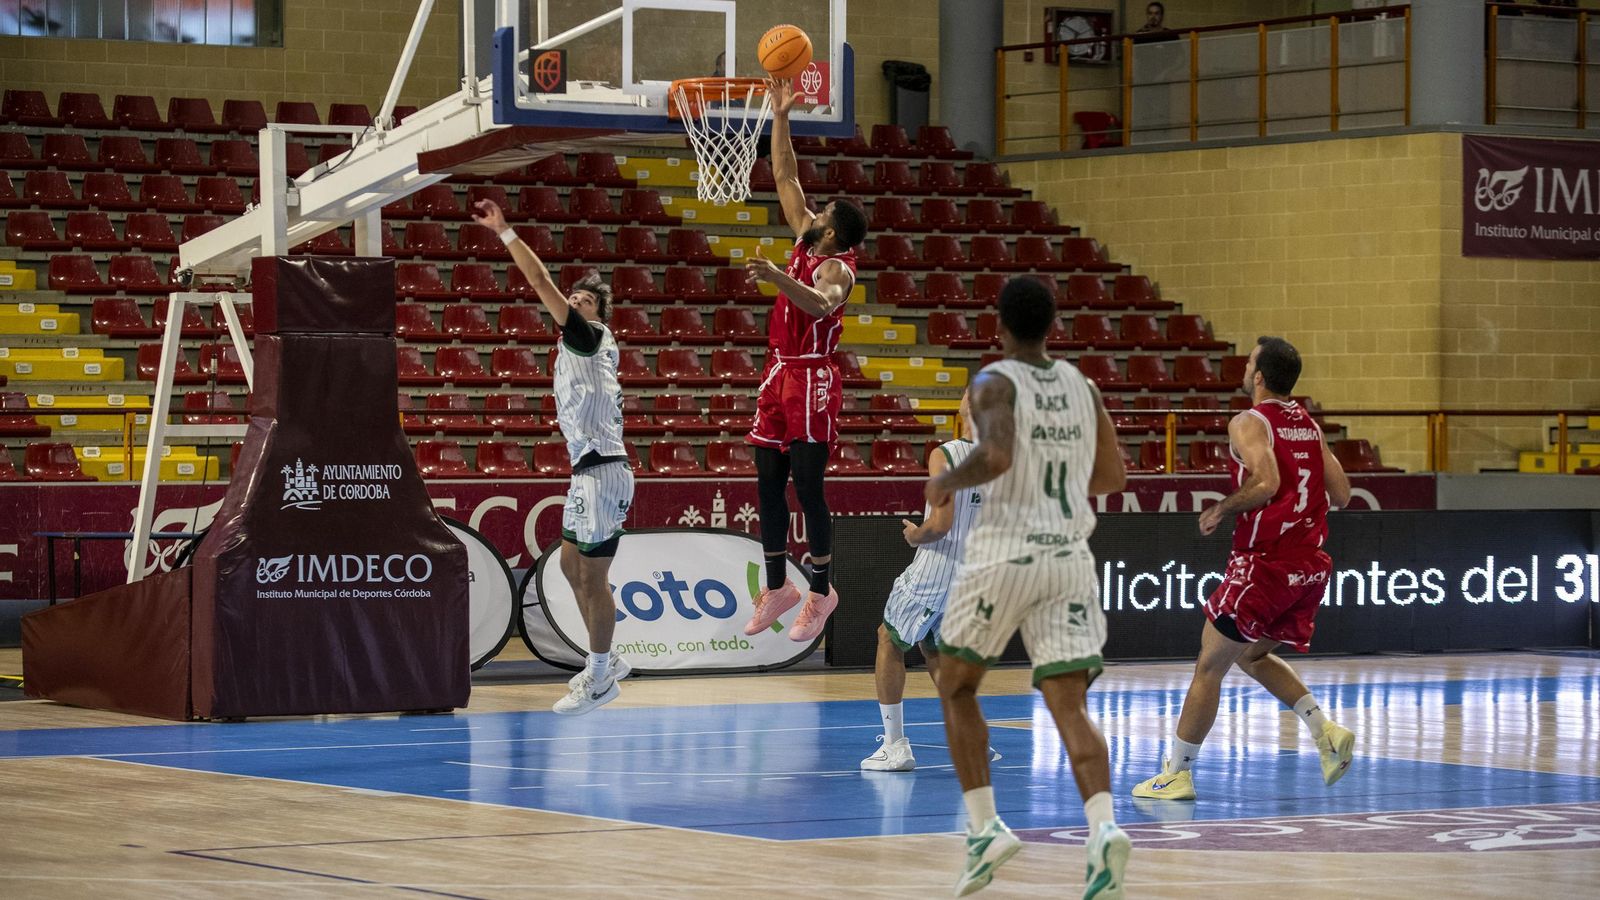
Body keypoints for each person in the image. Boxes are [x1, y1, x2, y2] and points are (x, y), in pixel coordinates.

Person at [928, 277, 1130, 898]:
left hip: (1006, 553)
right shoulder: (1084, 386)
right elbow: (1112, 476)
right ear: (1054, 326)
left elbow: (995, 456)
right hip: (1069, 555)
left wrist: (946, 483)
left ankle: (986, 828)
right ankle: (1103, 830)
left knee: (955, 684)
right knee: (1070, 705)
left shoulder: (993, 381)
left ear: (999, 326)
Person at [1131, 336, 1355, 801]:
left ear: (1258, 376)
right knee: (1251, 656)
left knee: (1208, 666)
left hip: (1265, 565)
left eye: (1250, 360)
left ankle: (1176, 773)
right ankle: (1325, 732)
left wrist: (1223, 509)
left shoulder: (1249, 421)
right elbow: (1342, 493)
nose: (1246, 365)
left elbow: (1267, 480)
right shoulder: (1309, 425)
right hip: (1310, 568)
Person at [472, 199, 633, 716]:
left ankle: (603, 672)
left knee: (592, 576)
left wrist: (505, 233)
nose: (574, 300)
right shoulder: (579, 347)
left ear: (597, 318)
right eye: (576, 296)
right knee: (567, 564)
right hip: (588, 471)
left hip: (603, 473)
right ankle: (606, 661)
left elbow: (541, 282)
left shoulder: (588, 339)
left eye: (585, 299)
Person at [740, 76, 870, 645]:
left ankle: (820, 590)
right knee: (767, 479)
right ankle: (777, 587)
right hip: (778, 369)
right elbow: (785, 171)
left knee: (808, 487)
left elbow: (819, 304)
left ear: (833, 229)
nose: (814, 208)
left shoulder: (838, 268)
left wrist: (773, 277)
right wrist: (781, 114)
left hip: (813, 376)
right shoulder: (803, 237)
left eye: (826, 210)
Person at [862, 390, 982, 772]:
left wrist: (916, 534)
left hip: (935, 570)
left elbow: (941, 524)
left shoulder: (945, 454)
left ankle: (895, 746)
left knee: (889, 638)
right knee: (936, 649)